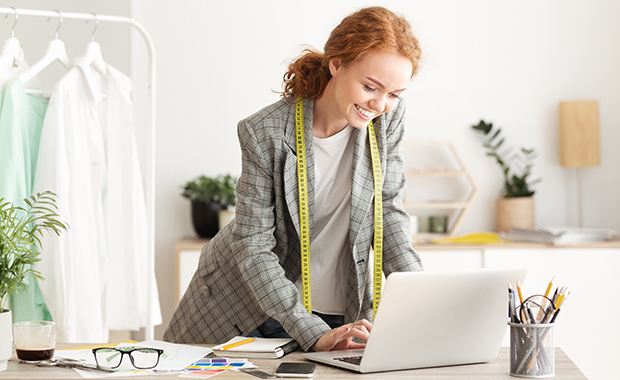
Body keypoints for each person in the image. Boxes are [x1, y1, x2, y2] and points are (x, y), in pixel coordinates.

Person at [164, 6, 423, 352]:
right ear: (337, 64)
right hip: (249, 303)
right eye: (370, 87)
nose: (379, 104)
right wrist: (311, 331)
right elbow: (253, 247)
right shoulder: (264, 132)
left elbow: (387, 212)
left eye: (394, 94)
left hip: (341, 307)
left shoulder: (387, 120)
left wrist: (423, 297)